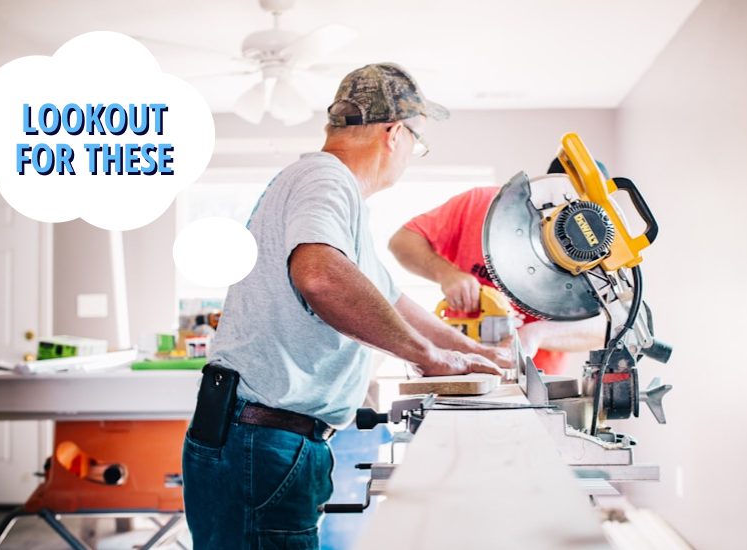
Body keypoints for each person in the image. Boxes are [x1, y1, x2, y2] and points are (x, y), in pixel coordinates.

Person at [181, 63, 509, 550]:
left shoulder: (330, 191)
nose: (411, 156)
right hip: (263, 441)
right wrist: (430, 357)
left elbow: (389, 297)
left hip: (262, 438)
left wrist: (469, 351)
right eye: (418, 144)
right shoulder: (325, 178)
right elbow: (319, 276)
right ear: (394, 133)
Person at [388, 159, 610, 375]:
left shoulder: (596, 251)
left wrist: (536, 334)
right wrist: (446, 273)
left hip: (534, 378)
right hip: (457, 365)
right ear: (544, 188)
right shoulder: (480, 204)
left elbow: (606, 327)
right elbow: (402, 242)